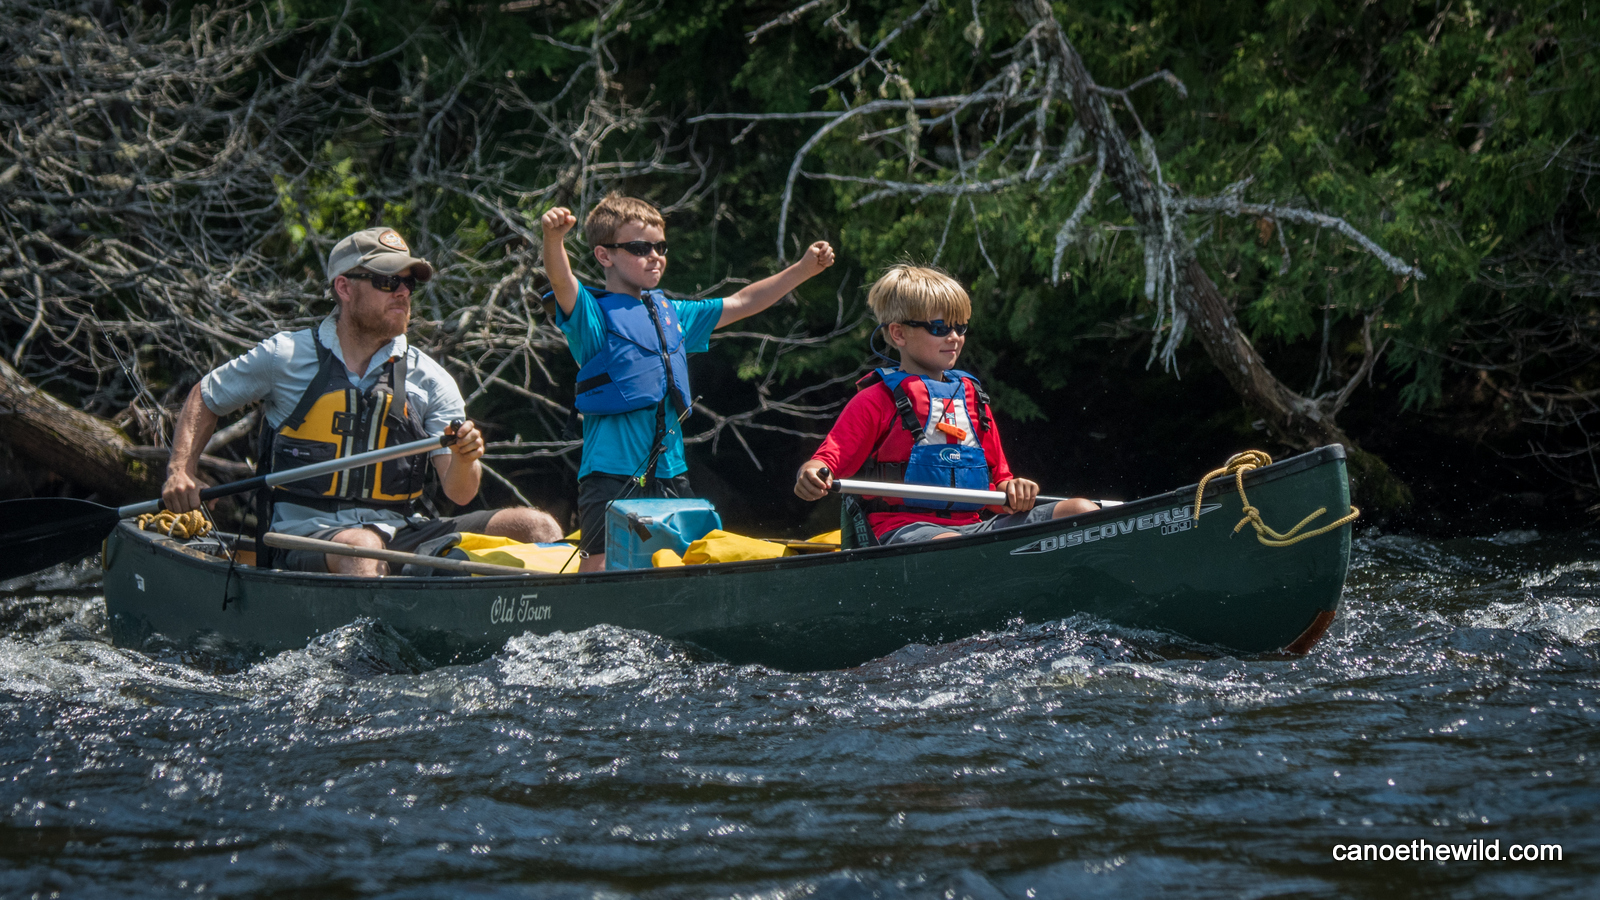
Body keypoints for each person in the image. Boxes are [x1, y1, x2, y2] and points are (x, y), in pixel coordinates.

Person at [161, 226, 562, 575]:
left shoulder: (429, 379)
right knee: (363, 548)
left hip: (399, 531)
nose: (403, 292)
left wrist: (464, 458)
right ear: (345, 287)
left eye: (409, 283)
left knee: (538, 529)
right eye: (388, 281)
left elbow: (460, 493)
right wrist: (181, 470)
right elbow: (206, 396)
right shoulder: (285, 356)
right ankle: (371, 661)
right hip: (303, 538)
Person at [541, 193, 835, 571]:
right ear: (605, 255)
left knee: (680, 564)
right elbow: (562, 280)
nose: (655, 255)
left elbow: (742, 301)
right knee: (599, 562)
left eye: (660, 247)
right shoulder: (591, 318)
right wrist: (553, 239)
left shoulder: (674, 315)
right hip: (609, 472)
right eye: (639, 247)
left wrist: (803, 269)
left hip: (670, 472)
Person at [794, 264, 1098, 544]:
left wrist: (1015, 489)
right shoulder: (874, 401)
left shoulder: (973, 399)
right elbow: (825, 462)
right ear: (899, 333)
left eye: (960, 327)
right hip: (902, 529)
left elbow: (1000, 481)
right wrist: (811, 473)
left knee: (1083, 511)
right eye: (939, 328)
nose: (954, 337)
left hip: (971, 530)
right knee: (955, 546)